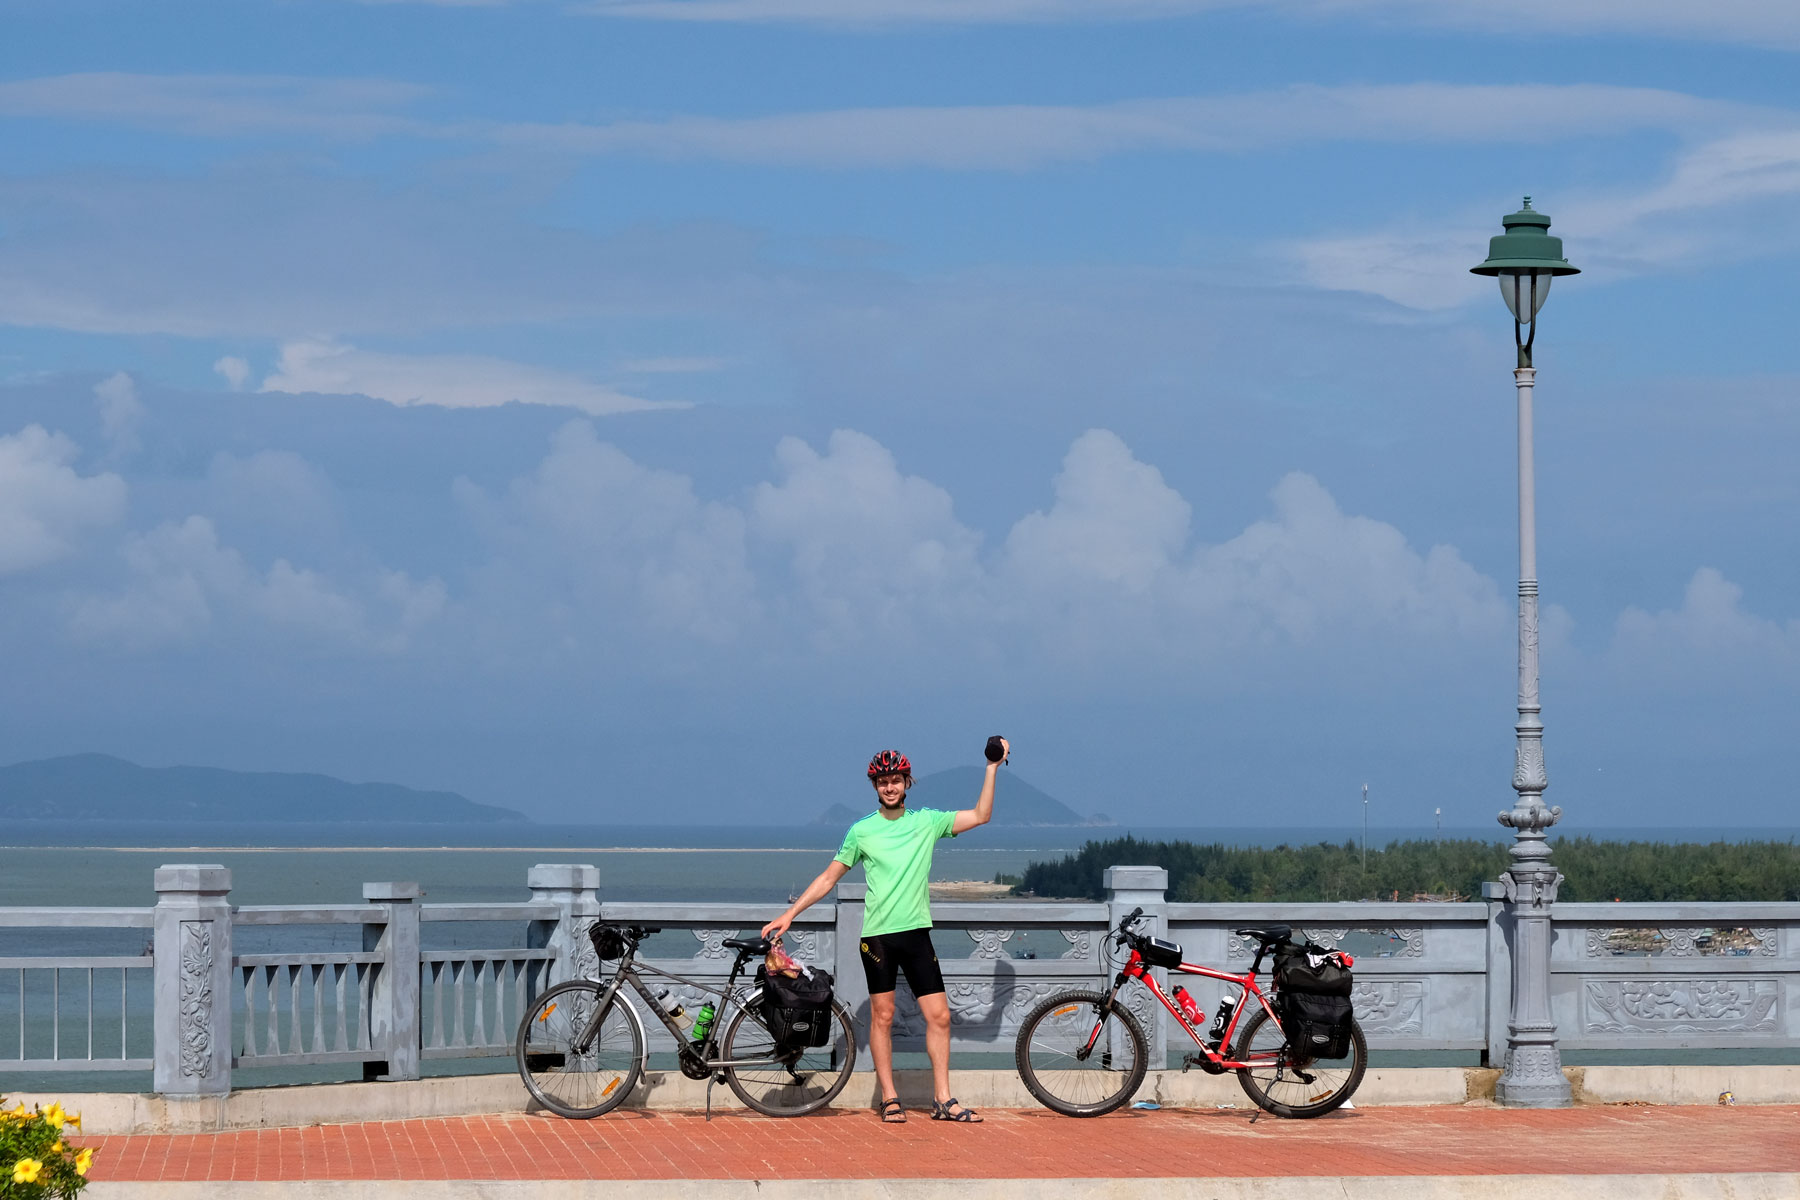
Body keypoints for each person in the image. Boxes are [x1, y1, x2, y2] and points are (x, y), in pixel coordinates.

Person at [762, 739, 1007, 1124]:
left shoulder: (927, 822)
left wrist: (992, 767)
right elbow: (829, 877)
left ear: (907, 782)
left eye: (895, 780)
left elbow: (981, 815)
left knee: (939, 1017)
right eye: (882, 782)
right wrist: (790, 913)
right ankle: (889, 1097)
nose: (889, 787)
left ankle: (943, 1099)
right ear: (875, 787)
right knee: (883, 1016)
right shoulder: (862, 831)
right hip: (877, 938)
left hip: (916, 934)